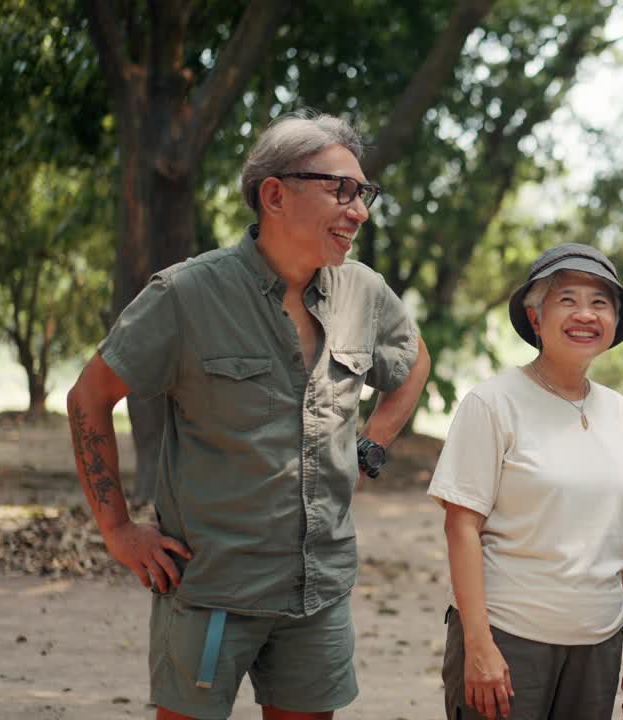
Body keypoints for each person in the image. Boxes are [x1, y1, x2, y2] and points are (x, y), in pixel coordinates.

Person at [66, 110, 431, 720]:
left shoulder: (364, 292)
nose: (359, 211)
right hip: (212, 589)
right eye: (342, 190)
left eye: (364, 194)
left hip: (319, 590)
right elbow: (89, 398)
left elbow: (414, 360)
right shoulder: (186, 295)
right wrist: (118, 530)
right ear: (275, 195)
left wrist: (374, 444)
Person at [427, 243, 623, 720]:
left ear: (613, 322)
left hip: (597, 644)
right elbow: (461, 526)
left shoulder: (619, 412)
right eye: (567, 299)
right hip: (510, 639)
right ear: (535, 318)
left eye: (600, 302)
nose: (585, 314)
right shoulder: (492, 404)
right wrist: (479, 645)